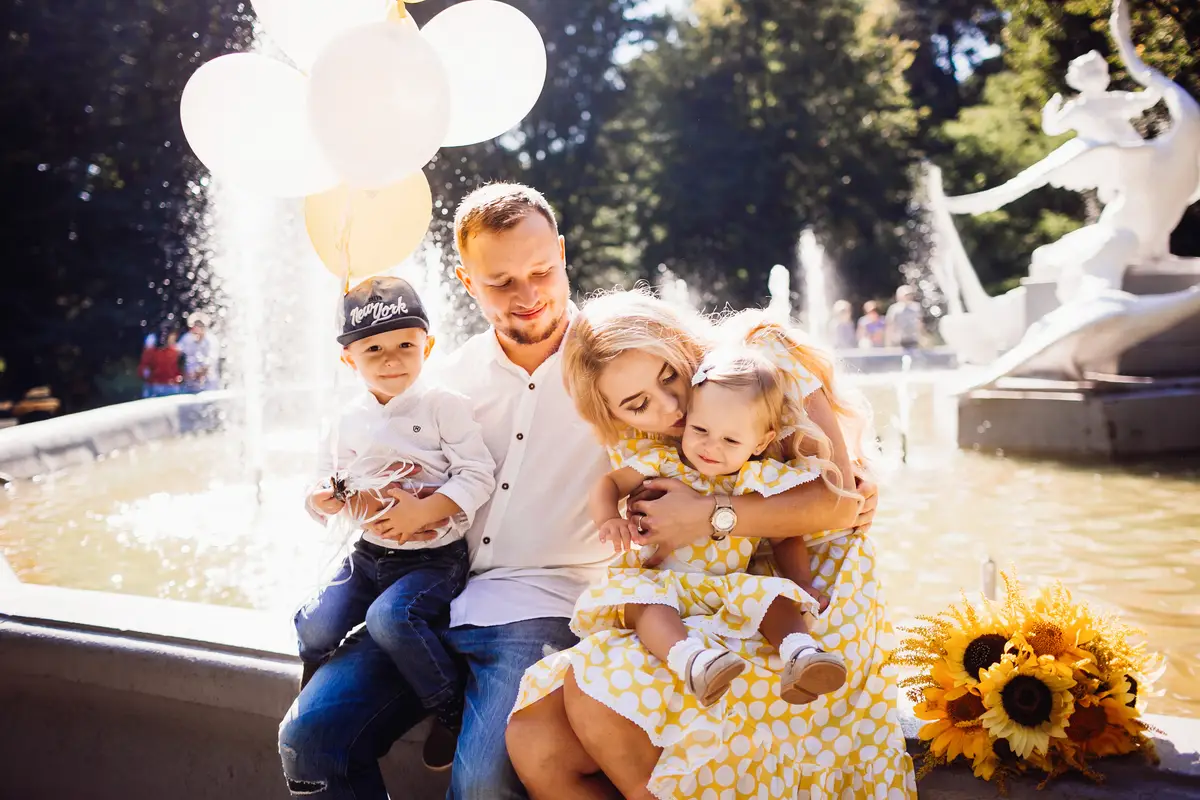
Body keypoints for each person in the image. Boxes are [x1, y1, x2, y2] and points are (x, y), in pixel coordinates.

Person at [277, 183, 881, 800]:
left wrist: (836, 464)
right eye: (501, 281)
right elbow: (380, 456)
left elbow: (760, 425)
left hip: (545, 606)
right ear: (465, 281)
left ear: (563, 254)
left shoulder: (622, 371)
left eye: (541, 270)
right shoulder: (447, 381)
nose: (528, 294)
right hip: (433, 594)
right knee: (310, 735)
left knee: (483, 785)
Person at [506, 290, 914, 800]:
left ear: (679, 343)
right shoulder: (638, 442)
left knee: (595, 695)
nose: (671, 407)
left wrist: (707, 516)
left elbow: (839, 501)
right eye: (639, 405)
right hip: (699, 600)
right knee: (533, 739)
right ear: (614, 413)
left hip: (801, 596)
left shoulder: (761, 360)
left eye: (670, 375)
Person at [581, 341, 852, 709]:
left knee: (773, 596)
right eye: (701, 429)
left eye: (730, 439)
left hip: (729, 585)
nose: (711, 447)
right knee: (644, 604)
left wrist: (800, 581)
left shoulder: (761, 480)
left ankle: (801, 654)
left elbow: (786, 534)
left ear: (762, 441)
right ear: (688, 417)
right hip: (666, 580)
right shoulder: (663, 462)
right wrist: (609, 518)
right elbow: (608, 483)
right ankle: (695, 661)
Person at [296, 276, 496, 771]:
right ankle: (322, 694)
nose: (391, 360)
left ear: (429, 344)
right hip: (368, 556)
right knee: (314, 623)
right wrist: (324, 499)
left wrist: (428, 509)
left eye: (407, 345)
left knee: (392, 619)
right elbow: (323, 484)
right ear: (349, 359)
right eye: (374, 349)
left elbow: (478, 473)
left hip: (432, 559)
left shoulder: (442, 405)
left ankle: (450, 706)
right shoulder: (345, 418)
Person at [177, 312, 220, 392]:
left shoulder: (211, 340)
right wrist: (183, 373)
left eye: (200, 325)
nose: (196, 328)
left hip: (208, 385)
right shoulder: (186, 338)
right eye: (194, 325)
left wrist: (198, 373)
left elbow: (210, 361)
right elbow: (178, 357)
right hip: (189, 385)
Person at [138, 329, 183, 398]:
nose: (174, 338)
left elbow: (180, 370)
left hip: (171, 387)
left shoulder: (177, 351)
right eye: (172, 336)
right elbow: (142, 371)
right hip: (154, 387)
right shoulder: (151, 351)